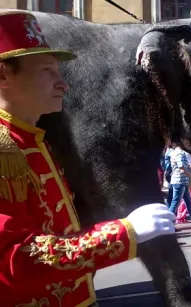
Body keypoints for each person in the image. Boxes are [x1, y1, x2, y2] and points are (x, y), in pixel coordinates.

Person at [0, 11, 176, 306]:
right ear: (4, 75)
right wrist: (123, 233)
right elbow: (15, 259)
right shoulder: (6, 149)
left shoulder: (33, 140)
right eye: (47, 71)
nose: (62, 84)